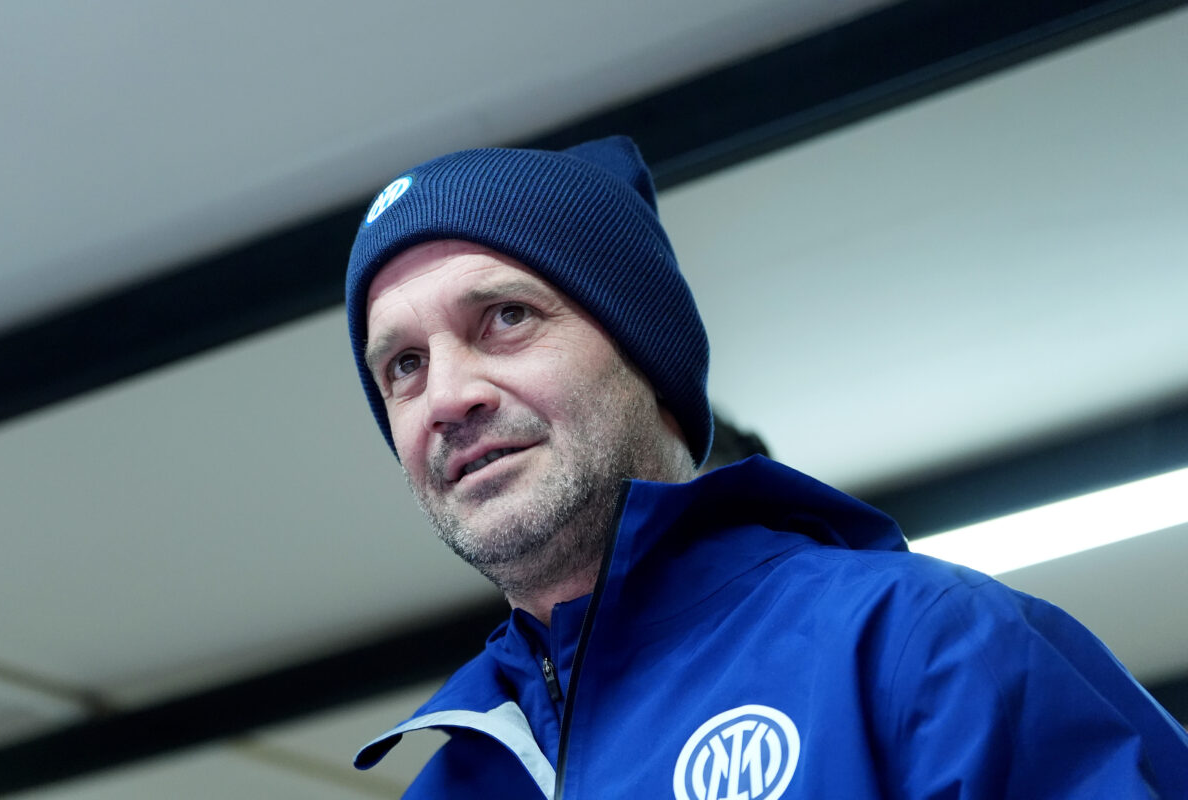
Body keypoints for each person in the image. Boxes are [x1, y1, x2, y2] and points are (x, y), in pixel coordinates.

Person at [343, 137, 1188, 799]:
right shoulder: (451, 787)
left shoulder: (919, 648)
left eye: (506, 317)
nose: (446, 396)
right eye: (404, 366)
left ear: (647, 360)